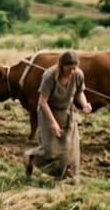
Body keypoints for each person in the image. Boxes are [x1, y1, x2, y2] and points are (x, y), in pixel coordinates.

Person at [23, 50, 91, 181]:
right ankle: (30, 156)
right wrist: (53, 123)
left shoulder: (78, 74)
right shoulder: (50, 76)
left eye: (74, 68)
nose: (72, 71)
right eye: (69, 68)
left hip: (67, 113)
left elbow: (79, 92)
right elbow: (42, 101)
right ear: (62, 65)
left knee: (70, 148)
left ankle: (65, 177)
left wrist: (84, 104)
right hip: (48, 113)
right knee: (50, 150)